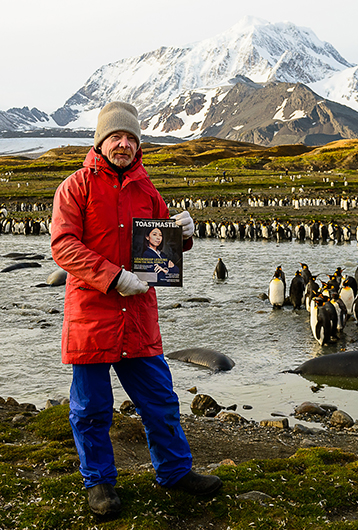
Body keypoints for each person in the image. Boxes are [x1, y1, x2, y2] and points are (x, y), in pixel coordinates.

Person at [50, 101, 221, 517]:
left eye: (130, 138)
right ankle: (100, 483)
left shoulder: (148, 191)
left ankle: (175, 471)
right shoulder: (76, 187)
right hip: (92, 314)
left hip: (139, 318)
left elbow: (163, 249)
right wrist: (112, 277)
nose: (123, 144)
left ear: (138, 144)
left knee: (160, 402)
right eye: (116, 137)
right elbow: (63, 247)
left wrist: (185, 234)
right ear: (101, 142)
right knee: (90, 409)